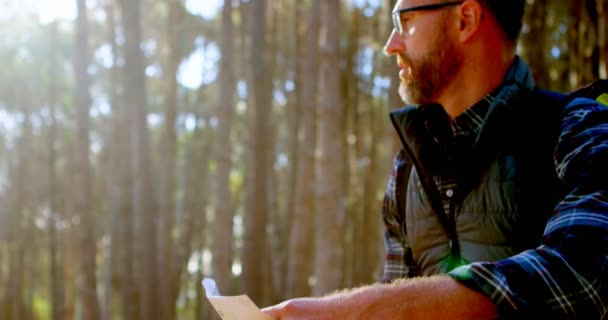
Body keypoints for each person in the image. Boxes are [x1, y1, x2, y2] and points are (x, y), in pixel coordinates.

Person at [262, 0, 608, 319]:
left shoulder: (579, 128)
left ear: (466, 19)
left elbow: (586, 272)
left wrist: (353, 310)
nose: (391, 44)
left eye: (406, 21)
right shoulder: (406, 168)